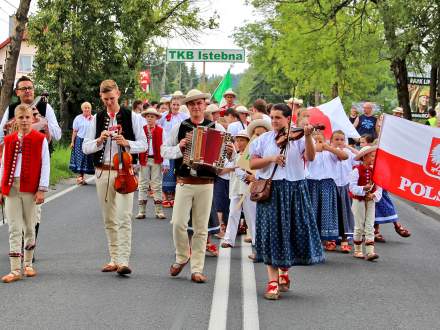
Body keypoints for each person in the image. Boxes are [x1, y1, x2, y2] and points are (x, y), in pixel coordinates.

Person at [249, 103, 324, 300]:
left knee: (291, 232)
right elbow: (252, 162)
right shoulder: (263, 139)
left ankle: (284, 269)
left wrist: (308, 135)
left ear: (288, 119)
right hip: (271, 190)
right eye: (272, 117)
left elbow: (311, 156)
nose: (274, 121)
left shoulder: (298, 138)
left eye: (278, 118)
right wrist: (272, 158)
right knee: (271, 234)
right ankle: (272, 281)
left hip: (295, 189)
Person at [161, 89, 228, 283]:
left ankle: (197, 269)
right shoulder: (179, 127)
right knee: (178, 223)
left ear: (205, 105)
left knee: (201, 228)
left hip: (206, 182)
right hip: (184, 181)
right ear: (188, 107)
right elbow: (164, 151)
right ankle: (182, 256)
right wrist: (180, 147)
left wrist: (230, 151)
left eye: (199, 103)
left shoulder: (216, 128)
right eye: (192, 104)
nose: (196, 107)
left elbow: (226, 156)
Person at [82, 80, 147, 276]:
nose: (109, 103)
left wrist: (127, 142)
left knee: (124, 216)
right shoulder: (96, 118)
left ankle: (124, 261)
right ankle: (114, 258)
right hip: (103, 171)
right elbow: (85, 147)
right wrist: (99, 141)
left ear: (118, 93)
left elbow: (144, 144)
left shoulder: (133, 117)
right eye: (105, 99)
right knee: (109, 218)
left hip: (125, 171)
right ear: (101, 98)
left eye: (112, 98)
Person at [0, 76, 61, 260]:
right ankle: (19, 249)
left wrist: (42, 121)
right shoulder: (11, 110)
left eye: (30, 88)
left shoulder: (44, 107)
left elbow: (57, 134)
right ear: (17, 92)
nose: (28, 91)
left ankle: (29, 249)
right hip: (14, 169)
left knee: (34, 212)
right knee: (15, 214)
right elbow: (1, 136)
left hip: (37, 166)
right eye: (24, 88)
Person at [0, 104, 50, 283]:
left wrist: (42, 189)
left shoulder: (40, 139)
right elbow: (4, 165)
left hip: (31, 188)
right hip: (12, 187)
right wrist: (1, 187)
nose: (24, 121)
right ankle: (14, 269)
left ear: (32, 118)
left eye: (27, 117)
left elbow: (45, 165)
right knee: (14, 227)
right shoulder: (9, 140)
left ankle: (28, 264)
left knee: (29, 226)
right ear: (15, 120)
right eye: (20, 118)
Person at [306, 131, 348, 250]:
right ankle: (313, 238)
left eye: (321, 141)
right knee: (312, 212)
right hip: (312, 183)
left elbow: (345, 156)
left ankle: (328, 238)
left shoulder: (330, 153)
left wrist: (328, 147)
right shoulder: (309, 153)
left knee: (327, 212)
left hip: (327, 184)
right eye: (316, 141)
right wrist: (314, 147)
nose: (319, 143)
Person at [221, 130, 256, 248]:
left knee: (251, 216)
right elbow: (224, 170)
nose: (239, 143)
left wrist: (249, 175)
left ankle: (256, 240)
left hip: (248, 189)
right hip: (236, 189)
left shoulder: (251, 155)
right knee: (232, 213)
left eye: (242, 140)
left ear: (248, 142)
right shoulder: (234, 156)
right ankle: (228, 240)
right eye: (238, 140)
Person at [349, 145, 382, 261]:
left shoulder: (375, 171)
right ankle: (358, 249)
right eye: (372, 156)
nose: (374, 158)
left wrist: (374, 195)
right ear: (364, 157)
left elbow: (379, 187)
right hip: (359, 201)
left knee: (370, 225)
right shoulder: (356, 170)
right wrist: (363, 189)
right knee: (359, 225)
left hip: (370, 201)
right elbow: (352, 187)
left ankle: (370, 251)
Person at [158, 96, 189, 208]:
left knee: (178, 170)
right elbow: (157, 127)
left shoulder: (184, 117)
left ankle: (175, 196)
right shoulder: (163, 116)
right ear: (170, 105)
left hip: (180, 147)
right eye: (173, 104)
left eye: (177, 105)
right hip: (168, 146)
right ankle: (165, 196)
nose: (175, 106)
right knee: (167, 171)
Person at [136, 108, 166, 220]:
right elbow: (137, 145)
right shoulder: (141, 130)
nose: (149, 118)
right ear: (145, 118)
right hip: (144, 159)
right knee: (143, 184)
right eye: (148, 116)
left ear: (156, 118)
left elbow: (164, 146)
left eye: (152, 116)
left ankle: (159, 211)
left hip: (156, 159)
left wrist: (165, 162)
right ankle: (141, 211)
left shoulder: (161, 130)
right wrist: (136, 162)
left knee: (156, 184)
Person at [330, 130, 356, 252]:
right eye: (337, 139)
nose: (339, 142)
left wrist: (349, 147)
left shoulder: (348, 153)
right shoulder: (328, 152)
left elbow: (359, 158)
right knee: (332, 213)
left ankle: (345, 239)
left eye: (342, 139)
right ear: (331, 141)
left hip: (344, 186)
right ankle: (332, 238)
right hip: (332, 186)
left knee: (345, 213)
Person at [69, 102, 95, 185]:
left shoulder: (94, 118)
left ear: (91, 109)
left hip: (90, 140)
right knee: (80, 159)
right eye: (85, 108)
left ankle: (85, 177)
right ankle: (80, 178)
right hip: (79, 140)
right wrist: (72, 142)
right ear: (82, 109)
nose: (87, 109)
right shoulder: (78, 118)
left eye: (88, 108)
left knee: (89, 159)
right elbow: (75, 131)